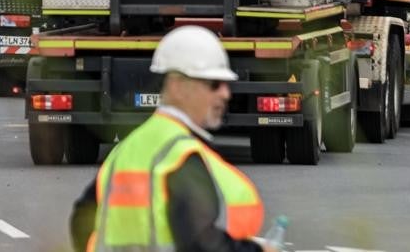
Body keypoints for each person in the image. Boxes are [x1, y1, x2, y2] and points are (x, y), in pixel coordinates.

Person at [70, 26, 272, 252]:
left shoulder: (124, 150)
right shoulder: (180, 155)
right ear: (179, 87)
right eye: (214, 84)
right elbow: (200, 244)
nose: (226, 93)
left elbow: (81, 219)